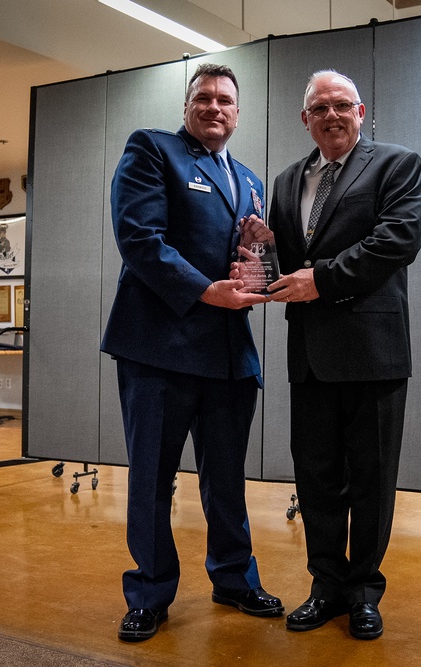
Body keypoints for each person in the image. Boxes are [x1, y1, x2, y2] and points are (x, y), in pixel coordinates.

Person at [101, 63, 282, 642]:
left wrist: (260, 255)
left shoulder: (249, 179)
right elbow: (139, 239)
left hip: (229, 354)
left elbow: (250, 267)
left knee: (226, 477)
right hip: (159, 348)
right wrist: (207, 290)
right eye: (203, 98)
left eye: (225, 100)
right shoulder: (153, 150)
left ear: (238, 111)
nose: (214, 107)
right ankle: (150, 593)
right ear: (187, 106)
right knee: (153, 477)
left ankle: (233, 577)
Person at [265, 71, 421, 640]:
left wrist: (321, 281)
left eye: (341, 106)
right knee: (315, 480)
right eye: (319, 108)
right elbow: (289, 261)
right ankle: (326, 586)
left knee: (372, 481)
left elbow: (397, 241)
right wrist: (261, 251)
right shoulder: (285, 181)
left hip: (373, 354)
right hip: (308, 357)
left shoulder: (396, 165)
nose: (331, 116)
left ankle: (363, 593)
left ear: (361, 112)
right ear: (303, 119)